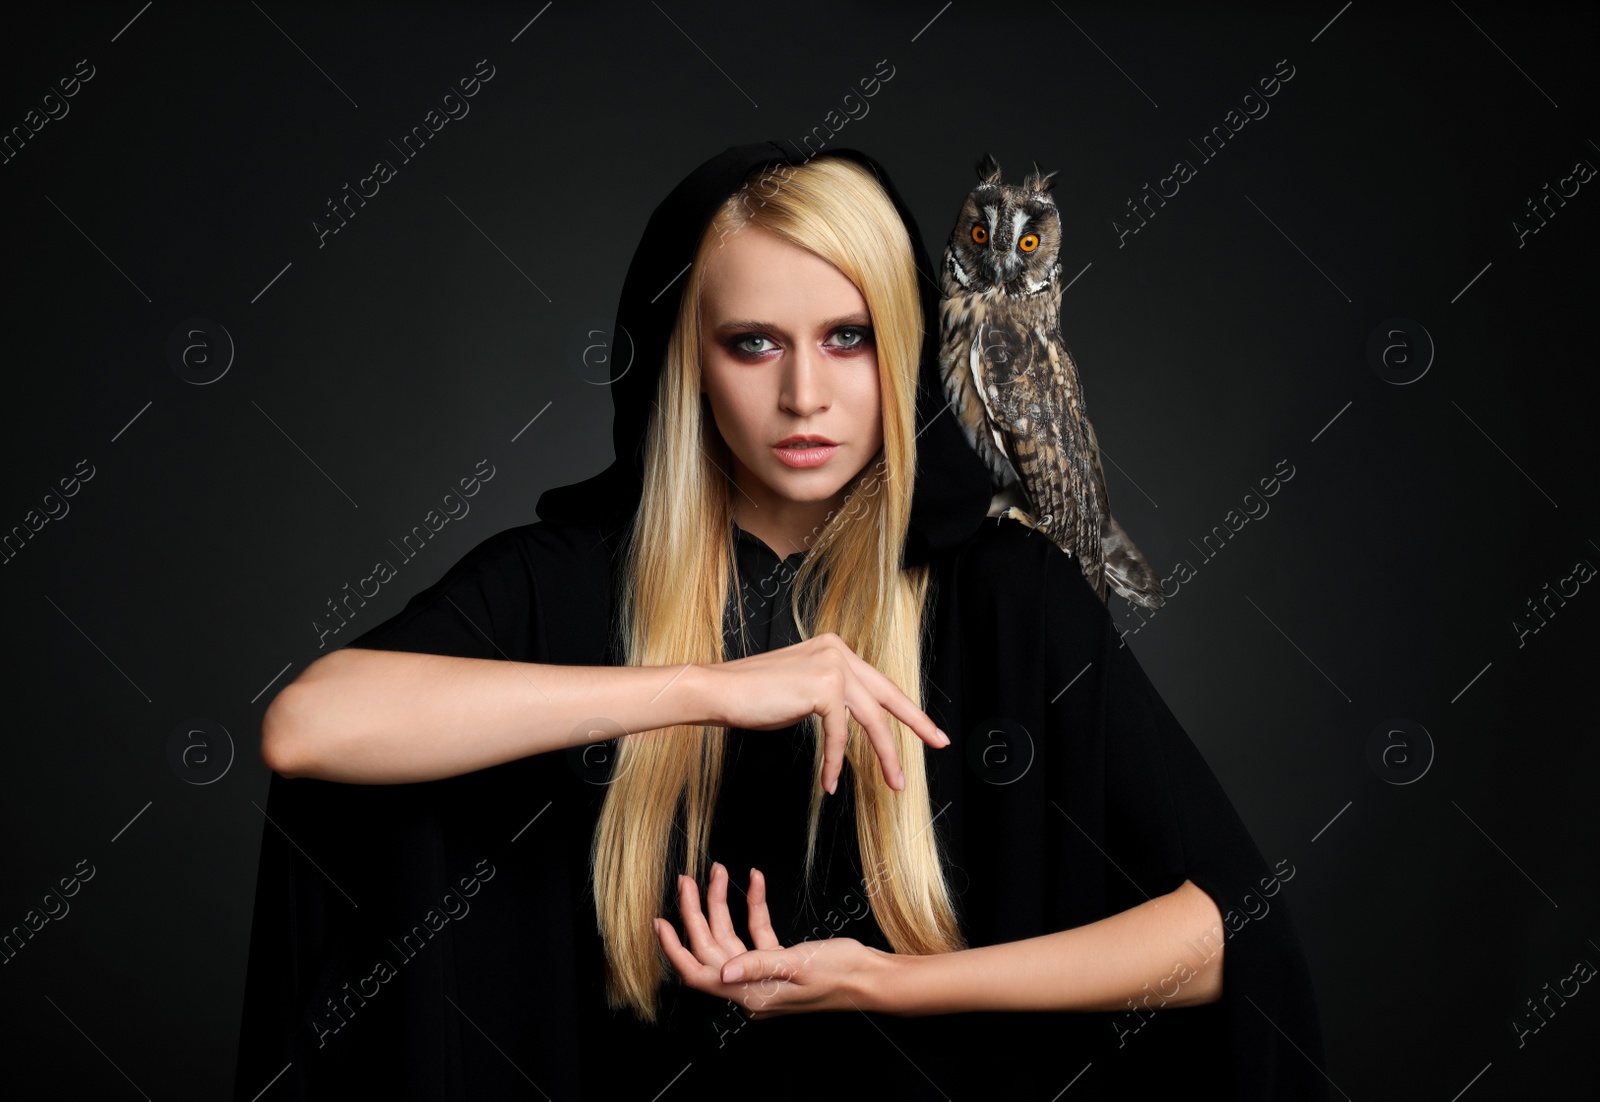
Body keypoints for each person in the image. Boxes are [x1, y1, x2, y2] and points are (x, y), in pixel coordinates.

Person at [232, 140, 1331, 1100]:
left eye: (847, 337)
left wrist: (897, 984)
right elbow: (312, 727)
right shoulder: (567, 579)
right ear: (686, 360)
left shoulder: (1003, 591)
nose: (805, 394)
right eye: (753, 343)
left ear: (901, 347)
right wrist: (707, 686)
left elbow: (1225, 932)